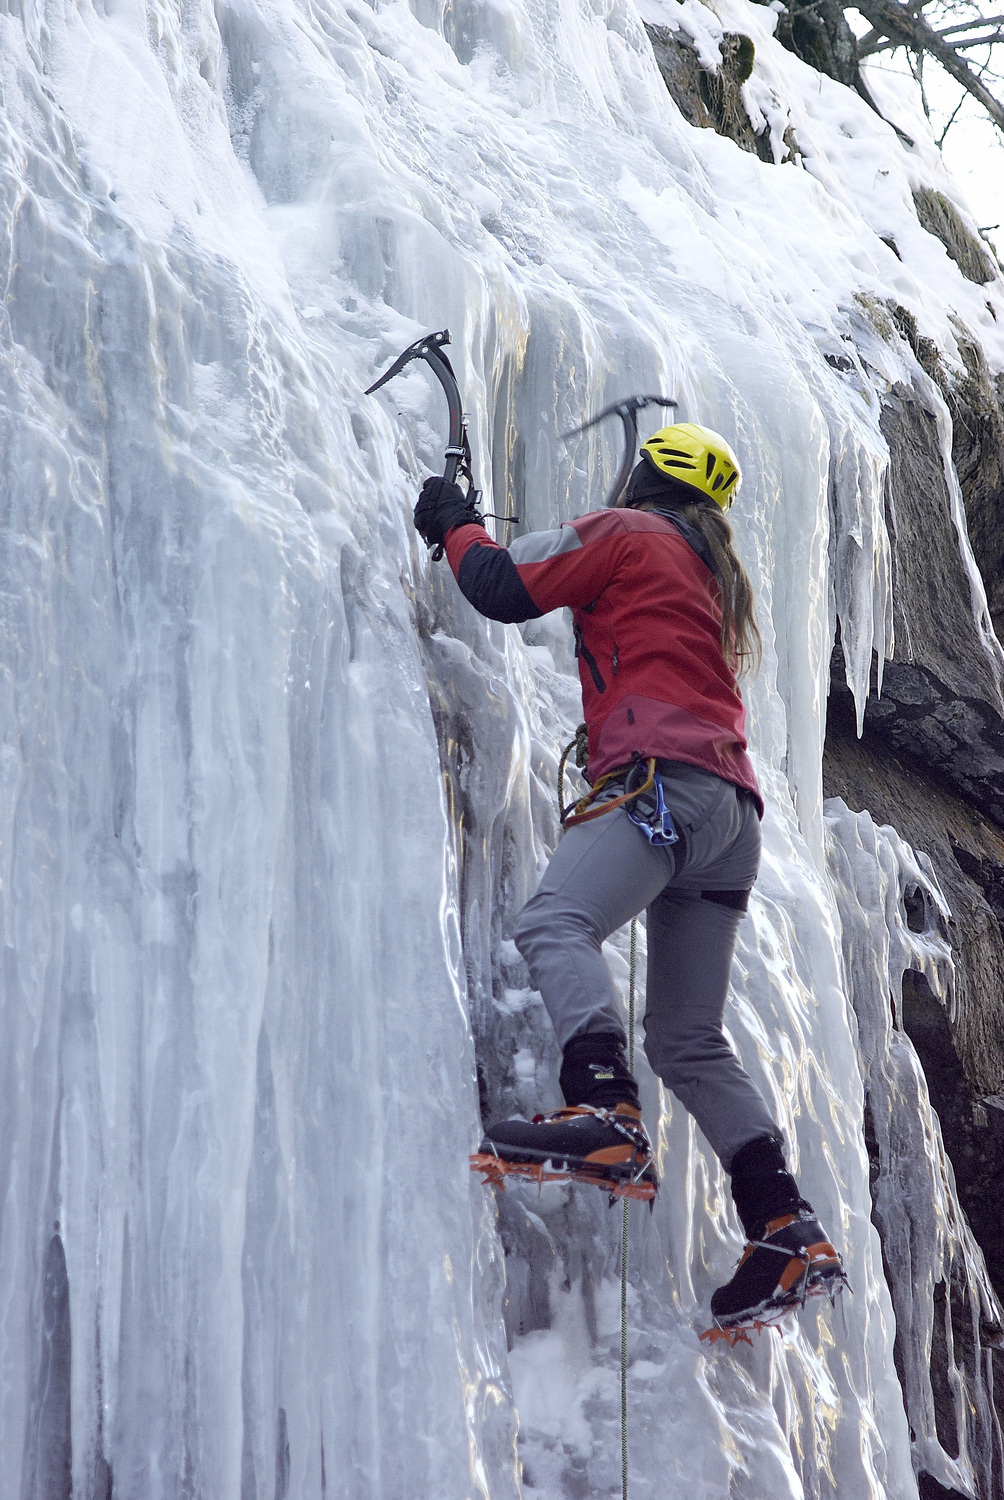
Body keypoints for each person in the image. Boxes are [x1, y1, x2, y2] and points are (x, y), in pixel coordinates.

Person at [413, 423, 844, 1328]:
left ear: (642, 477)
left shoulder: (625, 531)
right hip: (731, 819)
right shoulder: (709, 574)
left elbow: (498, 584)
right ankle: (783, 1223)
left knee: (552, 922)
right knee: (688, 1040)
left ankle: (606, 1111)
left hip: (663, 786)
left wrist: (454, 521)